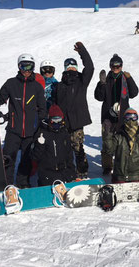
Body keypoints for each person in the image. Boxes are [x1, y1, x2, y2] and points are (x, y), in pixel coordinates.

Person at [0, 53, 46, 188]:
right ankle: (7, 184)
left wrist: (41, 128)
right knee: (8, 159)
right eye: (23, 66)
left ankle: (23, 183)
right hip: (13, 130)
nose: (26, 70)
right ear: (19, 67)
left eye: (29, 66)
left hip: (31, 132)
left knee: (26, 160)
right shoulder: (11, 84)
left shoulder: (37, 87)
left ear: (33, 67)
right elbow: (0, 99)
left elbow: (42, 109)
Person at [54, 42, 94, 179]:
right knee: (64, 149)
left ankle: (82, 172)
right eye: (68, 66)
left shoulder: (82, 80)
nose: (71, 69)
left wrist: (82, 51)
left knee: (78, 148)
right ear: (65, 68)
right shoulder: (60, 85)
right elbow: (56, 104)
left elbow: (90, 67)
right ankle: (67, 172)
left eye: (73, 66)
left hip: (77, 121)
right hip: (64, 123)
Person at [94, 54, 139, 175]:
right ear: (110, 66)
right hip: (108, 116)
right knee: (107, 142)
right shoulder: (107, 79)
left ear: (121, 66)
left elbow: (134, 93)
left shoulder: (124, 79)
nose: (115, 68)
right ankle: (107, 166)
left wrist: (129, 79)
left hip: (122, 116)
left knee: (123, 142)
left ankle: (122, 164)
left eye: (118, 66)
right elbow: (99, 97)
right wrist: (101, 84)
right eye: (113, 66)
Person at [31, 104, 76, 186]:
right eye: (54, 121)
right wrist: (40, 145)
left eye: (59, 121)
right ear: (49, 120)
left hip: (63, 173)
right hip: (47, 175)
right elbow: (34, 157)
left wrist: (72, 173)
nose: (57, 124)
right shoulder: (42, 133)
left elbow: (69, 156)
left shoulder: (64, 133)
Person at [104, 108, 139, 183]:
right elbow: (109, 151)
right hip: (120, 176)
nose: (131, 121)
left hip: (136, 176)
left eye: (133, 118)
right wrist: (108, 135)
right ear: (124, 119)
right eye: (128, 117)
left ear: (137, 118)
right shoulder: (119, 135)